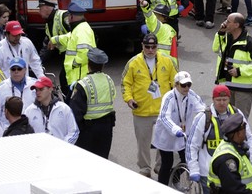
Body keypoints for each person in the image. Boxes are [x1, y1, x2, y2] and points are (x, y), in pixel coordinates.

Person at [122, 33, 179, 177]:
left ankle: (161, 166)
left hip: (163, 111)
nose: (150, 50)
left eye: (153, 47)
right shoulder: (133, 62)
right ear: (142, 46)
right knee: (143, 143)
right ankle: (145, 169)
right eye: (147, 46)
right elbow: (125, 83)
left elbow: (176, 83)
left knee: (164, 142)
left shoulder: (167, 61)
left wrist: (176, 103)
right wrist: (129, 100)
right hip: (141, 110)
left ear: (157, 47)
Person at [186, 85, 252, 188]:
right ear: (213, 99)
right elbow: (192, 145)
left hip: (233, 170)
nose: (221, 103)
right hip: (209, 173)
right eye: (218, 100)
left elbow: (249, 138)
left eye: (224, 99)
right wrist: (194, 170)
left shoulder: (237, 114)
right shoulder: (203, 118)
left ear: (229, 99)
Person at [153, 71, 205, 185]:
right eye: (183, 85)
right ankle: (162, 186)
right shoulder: (169, 97)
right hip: (167, 134)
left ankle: (174, 176)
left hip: (184, 134)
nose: (186, 88)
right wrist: (175, 129)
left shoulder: (192, 95)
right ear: (176, 85)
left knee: (187, 159)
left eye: (189, 85)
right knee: (167, 162)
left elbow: (203, 110)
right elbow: (164, 117)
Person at [214, 13, 252, 117]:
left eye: (228, 21)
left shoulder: (250, 43)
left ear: (236, 25)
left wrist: (239, 71)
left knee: (240, 120)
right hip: (228, 85)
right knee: (227, 118)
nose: (225, 23)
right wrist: (220, 33)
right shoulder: (226, 37)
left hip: (243, 89)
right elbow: (215, 48)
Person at [70, 48, 116, 158]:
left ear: (88, 64)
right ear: (103, 65)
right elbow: (112, 97)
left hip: (88, 130)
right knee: (103, 159)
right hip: (107, 127)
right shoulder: (109, 80)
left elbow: (76, 111)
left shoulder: (83, 84)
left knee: (88, 162)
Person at [49, 2, 97, 91]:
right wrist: (55, 39)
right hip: (77, 76)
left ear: (71, 17)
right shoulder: (79, 28)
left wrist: (73, 64)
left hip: (79, 78)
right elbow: (70, 38)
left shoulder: (81, 30)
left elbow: (84, 52)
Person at [207, 113, 252, 193]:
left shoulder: (235, 146)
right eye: (244, 128)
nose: (246, 132)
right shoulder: (226, 158)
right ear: (238, 133)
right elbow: (234, 190)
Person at [24, 76, 79, 144]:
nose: (37, 92)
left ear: (50, 89)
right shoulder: (29, 111)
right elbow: (25, 135)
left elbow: (74, 131)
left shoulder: (64, 108)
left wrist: (63, 146)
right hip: (39, 152)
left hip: (60, 152)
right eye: (36, 90)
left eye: (41, 89)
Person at [0, 57, 37, 127]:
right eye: (13, 69)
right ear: (10, 71)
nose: (16, 71)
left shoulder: (35, 84)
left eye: (19, 69)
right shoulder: (0, 88)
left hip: (31, 129)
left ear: (25, 70)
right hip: (8, 131)